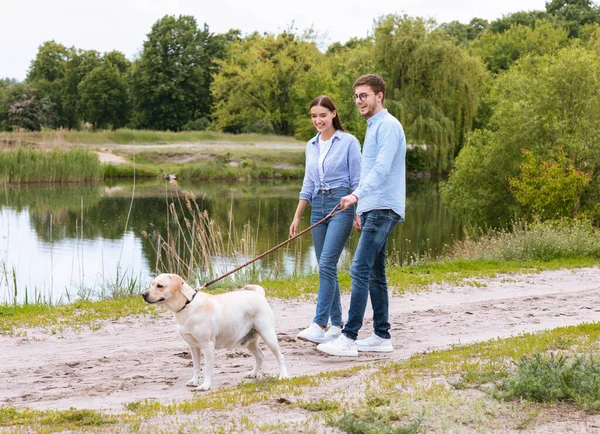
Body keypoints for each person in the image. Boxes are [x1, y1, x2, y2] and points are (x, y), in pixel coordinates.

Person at [316, 74, 406, 357]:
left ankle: (349, 336)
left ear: (379, 96)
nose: (358, 101)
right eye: (356, 96)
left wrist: (356, 195)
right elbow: (369, 171)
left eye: (363, 95)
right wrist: (360, 208)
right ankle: (382, 336)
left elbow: (381, 169)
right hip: (372, 207)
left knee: (359, 269)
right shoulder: (374, 126)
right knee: (376, 274)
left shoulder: (389, 126)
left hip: (383, 207)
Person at [291, 95, 362, 344]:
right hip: (317, 207)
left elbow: (358, 181)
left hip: (341, 203)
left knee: (329, 263)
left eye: (322, 115)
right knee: (324, 266)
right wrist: (298, 216)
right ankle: (337, 323)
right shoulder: (311, 145)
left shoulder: (349, 142)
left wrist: (358, 211)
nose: (318, 120)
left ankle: (319, 324)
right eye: (313, 116)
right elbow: (308, 183)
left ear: (334, 114)